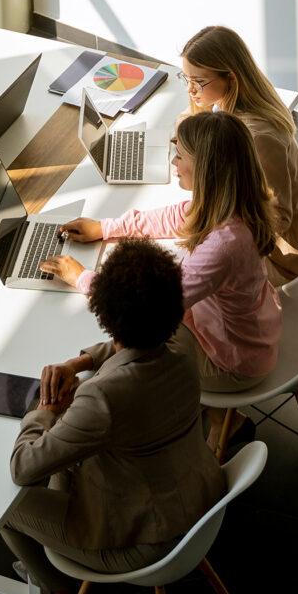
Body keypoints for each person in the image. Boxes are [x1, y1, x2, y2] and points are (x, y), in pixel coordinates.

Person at [1, 240, 228, 594]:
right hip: (197, 499)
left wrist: (44, 409)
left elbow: (23, 468)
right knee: (70, 457)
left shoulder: (103, 398)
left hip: (146, 542)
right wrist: (79, 363)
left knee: (7, 509)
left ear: (104, 311)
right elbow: (131, 347)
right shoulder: (184, 342)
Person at [43, 111, 281, 392]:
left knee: (138, 345)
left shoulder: (224, 247)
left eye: (179, 156)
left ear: (206, 169)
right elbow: (174, 217)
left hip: (232, 364)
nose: (173, 162)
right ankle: (81, 363)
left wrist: (81, 277)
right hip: (243, 332)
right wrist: (105, 228)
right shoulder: (233, 203)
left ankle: (209, 417)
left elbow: (147, 310)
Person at [179, 25, 298, 284]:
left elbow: (278, 217)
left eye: (199, 82)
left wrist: (218, 231)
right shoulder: (234, 108)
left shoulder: (257, 136)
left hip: (290, 259)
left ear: (231, 78)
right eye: (186, 79)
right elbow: (191, 121)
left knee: (191, 269)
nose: (190, 90)